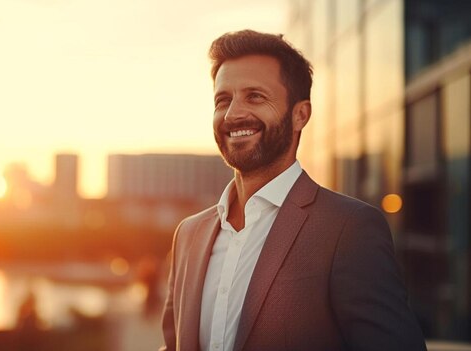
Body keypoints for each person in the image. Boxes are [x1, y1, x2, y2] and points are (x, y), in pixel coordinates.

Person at [160, 30, 426, 351]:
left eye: (255, 96)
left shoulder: (349, 229)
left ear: (300, 115)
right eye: (223, 100)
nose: (233, 114)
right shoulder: (189, 234)